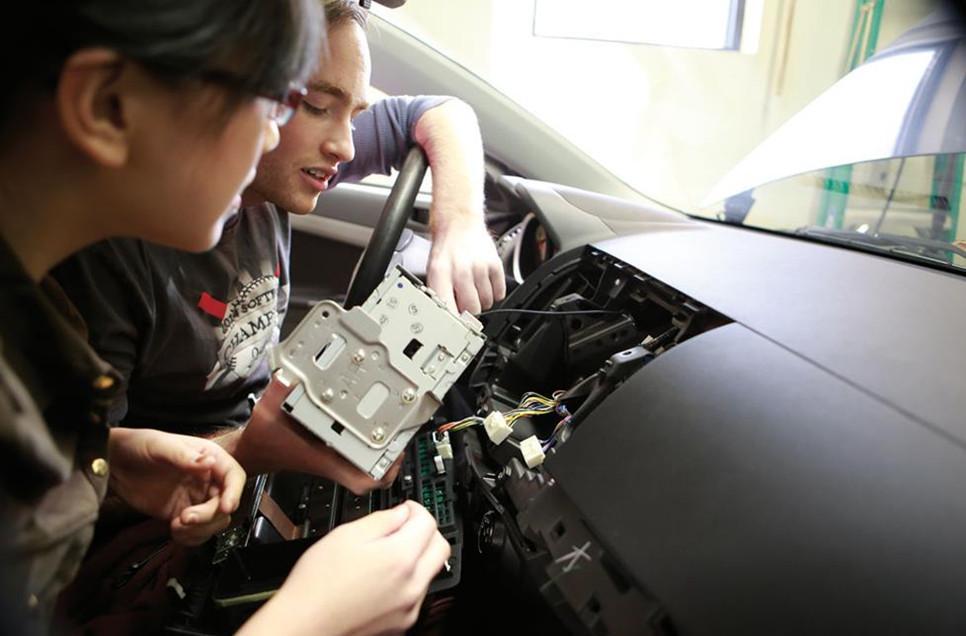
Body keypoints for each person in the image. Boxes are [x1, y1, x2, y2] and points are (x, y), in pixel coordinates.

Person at [0, 1, 448, 635]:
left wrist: (113, 460)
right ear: (108, 105)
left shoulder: (38, 334)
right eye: (271, 104)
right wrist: (309, 620)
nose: (273, 137)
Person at [53, 0, 506, 492]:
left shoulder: (280, 171)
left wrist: (458, 221)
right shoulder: (110, 261)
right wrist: (247, 450)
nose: (347, 147)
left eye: (354, 115)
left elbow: (440, 111)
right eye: (313, 106)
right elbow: (87, 476)